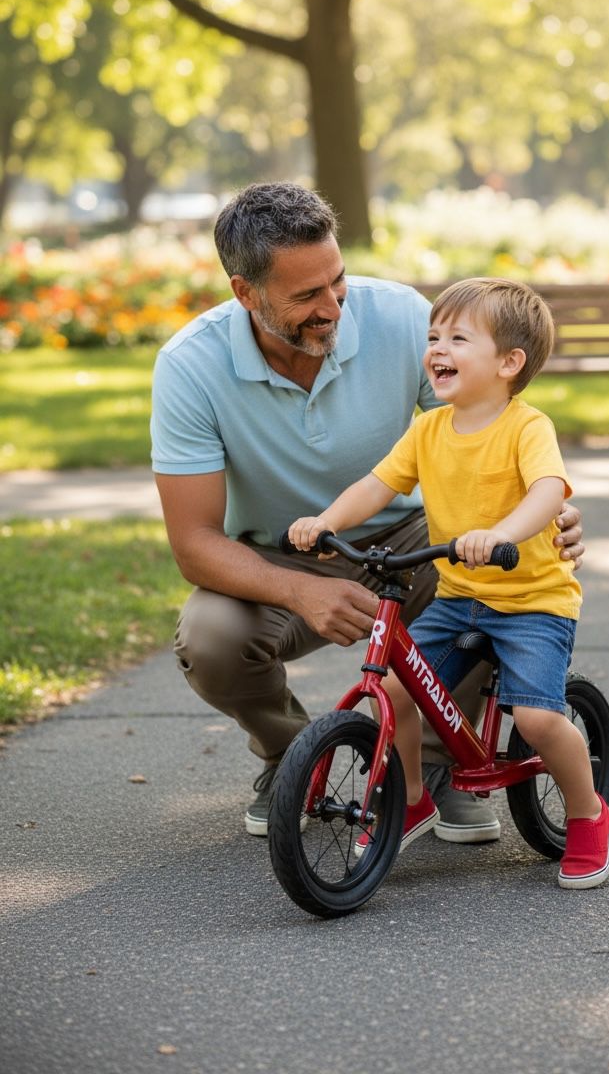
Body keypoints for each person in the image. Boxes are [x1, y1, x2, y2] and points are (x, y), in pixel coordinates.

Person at [151, 183, 585, 842]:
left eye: (338, 281)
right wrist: (301, 587)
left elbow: (490, 442)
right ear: (246, 293)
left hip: (413, 536)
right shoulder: (190, 366)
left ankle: (440, 767)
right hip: (278, 550)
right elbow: (193, 544)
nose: (332, 308)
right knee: (211, 637)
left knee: (487, 578)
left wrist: (543, 513)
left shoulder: (404, 319)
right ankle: (296, 758)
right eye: (305, 297)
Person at [289, 276, 609, 889]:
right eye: (433, 335)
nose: (437, 347)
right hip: (460, 597)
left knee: (540, 721)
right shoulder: (430, 429)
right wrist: (325, 521)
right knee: (393, 686)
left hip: (531, 604)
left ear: (509, 363)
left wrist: (504, 534)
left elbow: (549, 491)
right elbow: (376, 486)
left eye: (459, 337)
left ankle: (589, 813)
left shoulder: (526, 427)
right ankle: (411, 798)